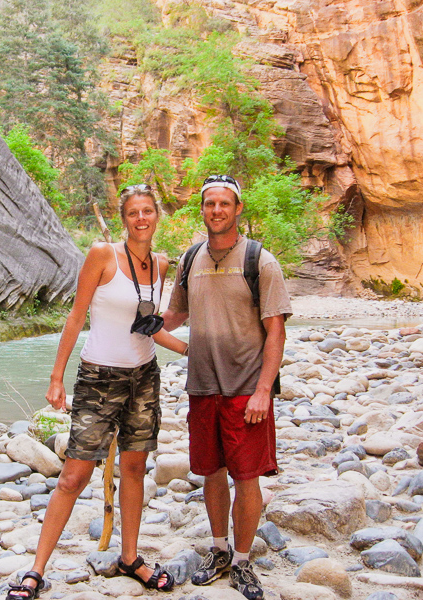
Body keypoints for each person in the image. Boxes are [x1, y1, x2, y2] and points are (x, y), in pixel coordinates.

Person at [6, 184, 188, 600]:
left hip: (144, 377)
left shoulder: (160, 265)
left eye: (148, 211)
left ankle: (130, 557)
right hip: (98, 378)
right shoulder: (102, 255)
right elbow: (75, 318)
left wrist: (193, 350)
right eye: (133, 213)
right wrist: (56, 377)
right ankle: (36, 570)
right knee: (74, 474)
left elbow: (151, 327)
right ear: (123, 219)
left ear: (157, 216)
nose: (141, 219)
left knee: (135, 469)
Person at [161, 175, 291, 600]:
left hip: (244, 388)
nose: (216, 210)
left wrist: (263, 391)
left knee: (246, 476)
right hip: (202, 386)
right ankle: (218, 549)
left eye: (224, 204)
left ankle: (242, 559)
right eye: (209, 204)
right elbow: (176, 315)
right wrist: (134, 319)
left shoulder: (261, 261)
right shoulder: (190, 258)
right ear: (202, 209)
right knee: (212, 472)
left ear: (238, 209)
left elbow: (276, 333)